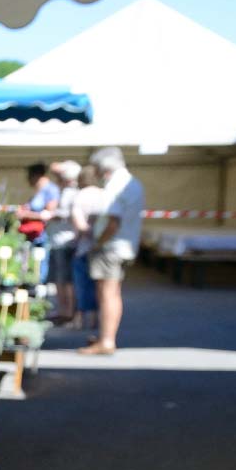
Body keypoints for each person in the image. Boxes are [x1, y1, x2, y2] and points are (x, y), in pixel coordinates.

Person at [79, 146, 145, 357]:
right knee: (112, 293)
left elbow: (113, 223)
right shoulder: (134, 183)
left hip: (111, 247)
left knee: (107, 294)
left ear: (103, 168)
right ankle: (105, 337)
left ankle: (106, 340)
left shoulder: (114, 186)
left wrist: (98, 242)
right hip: (124, 246)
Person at [68, 164, 110, 335]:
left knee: (81, 285)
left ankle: (80, 319)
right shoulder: (105, 194)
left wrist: (84, 234)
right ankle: (97, 320)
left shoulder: (80, 196)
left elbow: (79, 224)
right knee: (100, 287)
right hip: (102, 247)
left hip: (84, 248)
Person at [44, 161, 81, 323]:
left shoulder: (71, 193)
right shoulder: (67, 191)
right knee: (61, 280)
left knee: (65, 280)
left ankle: (67, 311)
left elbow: (66, 214)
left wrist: (48, 215)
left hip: (65, 241)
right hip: (60, 240)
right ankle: (64, 310)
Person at [17, 162, 59, 245]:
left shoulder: (51, 190)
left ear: (37, 175)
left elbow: (49, 214)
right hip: (34, 237)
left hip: (45, 237)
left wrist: (26, 214)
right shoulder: (39, 192)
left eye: (29, 176)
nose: (28, 179)